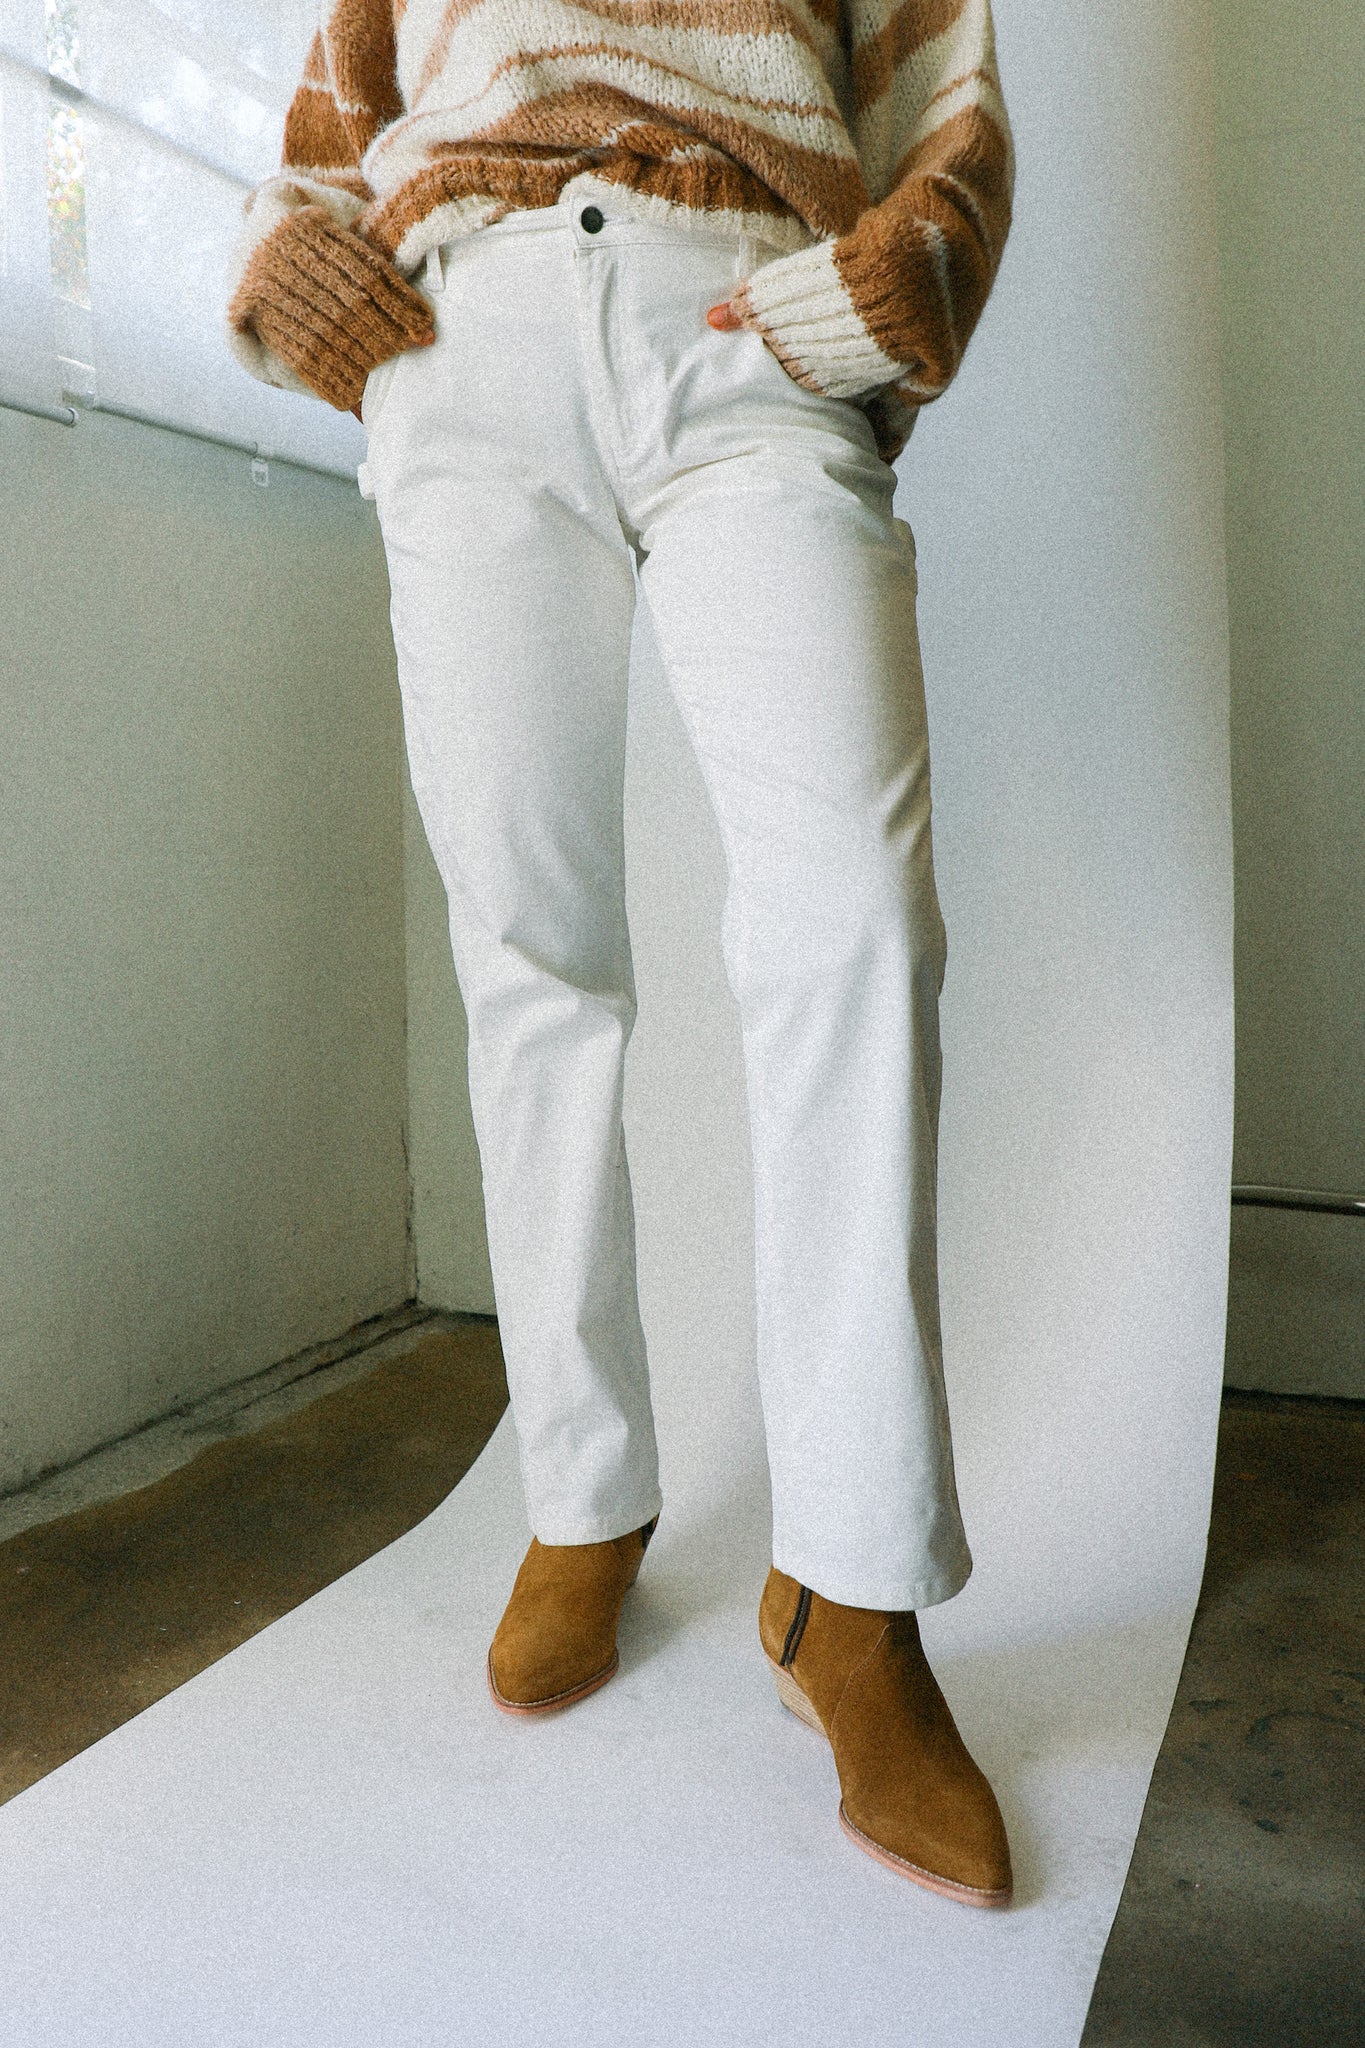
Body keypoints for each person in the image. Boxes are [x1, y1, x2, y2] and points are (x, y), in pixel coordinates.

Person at [227, 0, 1015, 1910]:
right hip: (465, 336)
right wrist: (295, 270)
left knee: (851, 922)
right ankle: (585, 1495)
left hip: (742, 317)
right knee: (531, 949)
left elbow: (946, 92)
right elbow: (334, 112)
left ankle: (854, 1595)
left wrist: (888, 279)